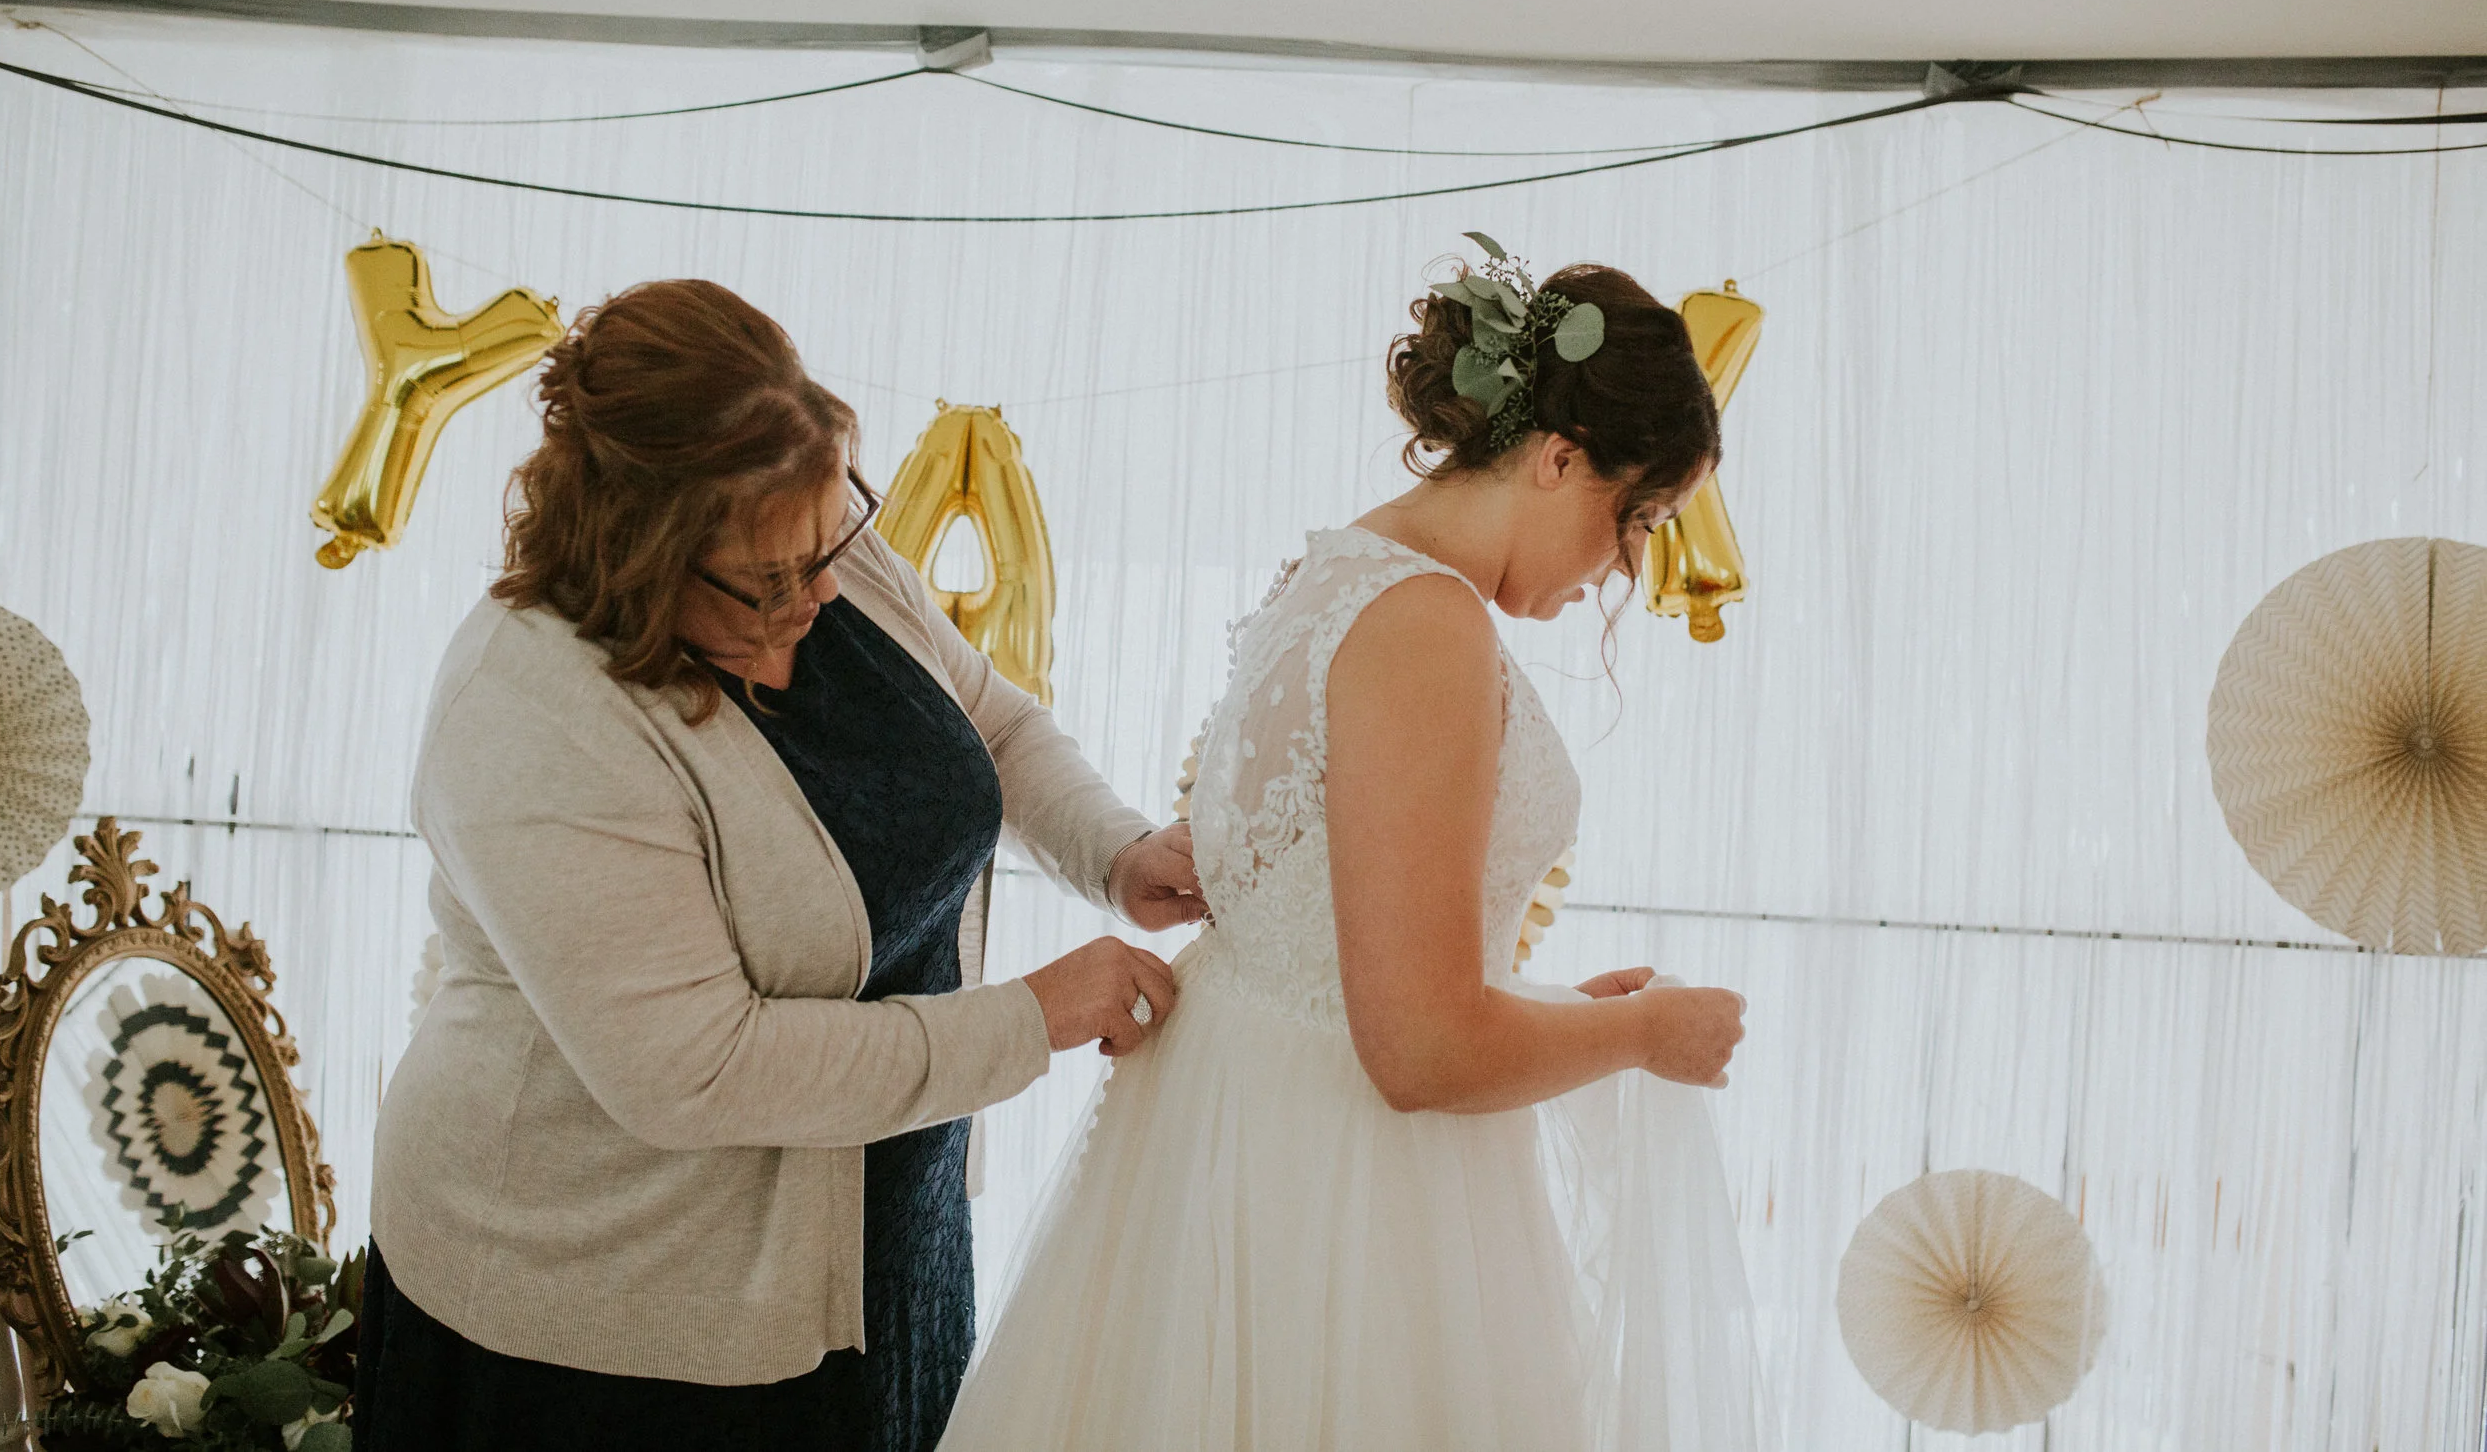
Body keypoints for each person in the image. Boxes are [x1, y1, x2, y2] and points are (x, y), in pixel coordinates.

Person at [940, 239, 1769, 1452]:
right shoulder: (1425, 622)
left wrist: (1554, 1012)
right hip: (1347, 1191)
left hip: (1240, 1141)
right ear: (1557, 458)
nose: (1622, 570)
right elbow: (1417, 1048)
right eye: (1635, 517)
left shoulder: (1334, 571)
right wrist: (1646, 1034)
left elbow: (1336, 956)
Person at [355, 280, 1203, 1452]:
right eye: (771, 577)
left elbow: (992, 722)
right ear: (639, 549)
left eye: (833, 535)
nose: (821, 589)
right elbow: (697, 1069)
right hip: (620, 1312)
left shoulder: (811, 551)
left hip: (884, 1233)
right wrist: (1029, 1020)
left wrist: (1118, 849)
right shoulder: (529, 709)